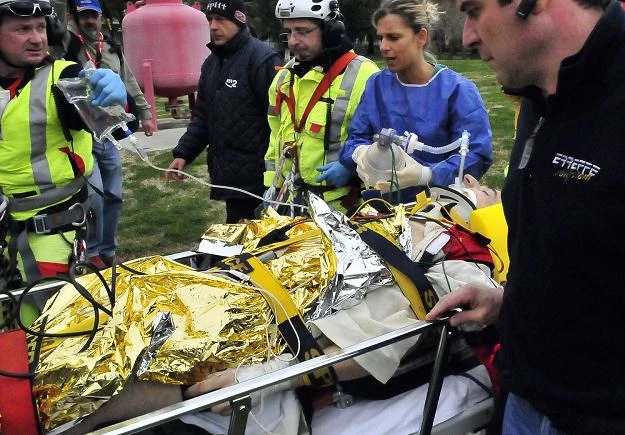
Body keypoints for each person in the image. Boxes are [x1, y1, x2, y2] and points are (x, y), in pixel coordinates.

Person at [426, 0, 625, 433]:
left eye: (474, 11)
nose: (467, 37)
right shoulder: (539, 97)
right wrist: (509, 304)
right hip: (525, 397)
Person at [0, 0, 128, 286]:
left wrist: (112, 99)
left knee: (50, 325)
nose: (36, 38)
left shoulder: (63, 78)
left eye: (41, 28)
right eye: (22, 29)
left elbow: (96, 113)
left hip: (52, 235)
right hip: (4, 233)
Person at [339, 0, 492, 199]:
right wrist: (360, 154)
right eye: (381, 38)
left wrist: (427, 175)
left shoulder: (457, 91)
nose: (384, 46)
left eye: (393, 37)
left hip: (436, 214)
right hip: (380, 210)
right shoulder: (377, 85)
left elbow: (476, 156)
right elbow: (356, 138)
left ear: (421, 37)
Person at [166, 0, 282, 224]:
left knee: (266, 245)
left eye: (221, 19)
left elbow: (280, 122)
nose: (213, 26)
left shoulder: (262, 60)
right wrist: (183, 154)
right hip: (230, 177)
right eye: (210, 20)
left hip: (261, 179)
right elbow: (203, 117)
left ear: (239, 20)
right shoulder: (211, 64)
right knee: (238, 243)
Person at [264, 0, 379, 212]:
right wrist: (272, 185)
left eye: (302, 31)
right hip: (289, 204)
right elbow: (275, 137)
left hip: (343, 209)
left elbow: (382, 143)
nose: (293, 41)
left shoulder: (365, 75)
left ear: (331, 30)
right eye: (288, 32)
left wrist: (351, 167)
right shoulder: (284, 78)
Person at [66, 0, 155, 269]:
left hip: (110, 132)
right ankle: (91, 251)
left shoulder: (112, 47)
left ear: (101, 18)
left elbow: (129, 81)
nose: (90, 21)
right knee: (95, 195)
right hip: (82, 133)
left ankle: (107, 250)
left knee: (114, 194)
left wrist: (146, 114)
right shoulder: (67, 45)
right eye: (84, 16)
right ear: (73, 17)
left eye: (94, 16)